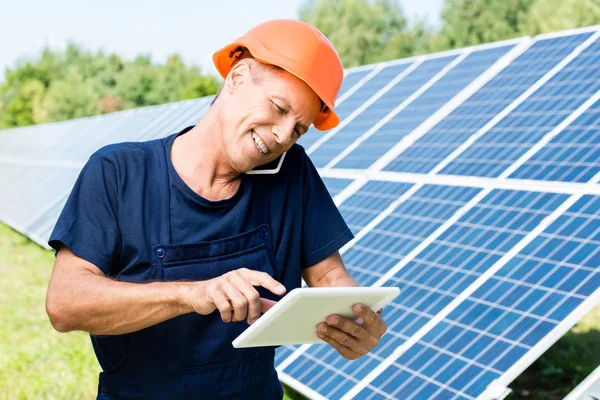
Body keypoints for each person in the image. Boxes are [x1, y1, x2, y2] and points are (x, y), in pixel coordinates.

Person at [45, 19, 388, 399]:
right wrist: (193, 295)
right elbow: (65, 303)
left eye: (298, 129)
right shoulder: (119, 173)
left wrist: (357, 317)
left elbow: (330, 277)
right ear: (238, 76)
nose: (281, 136)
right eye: (278, 108)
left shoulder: (293, 174)